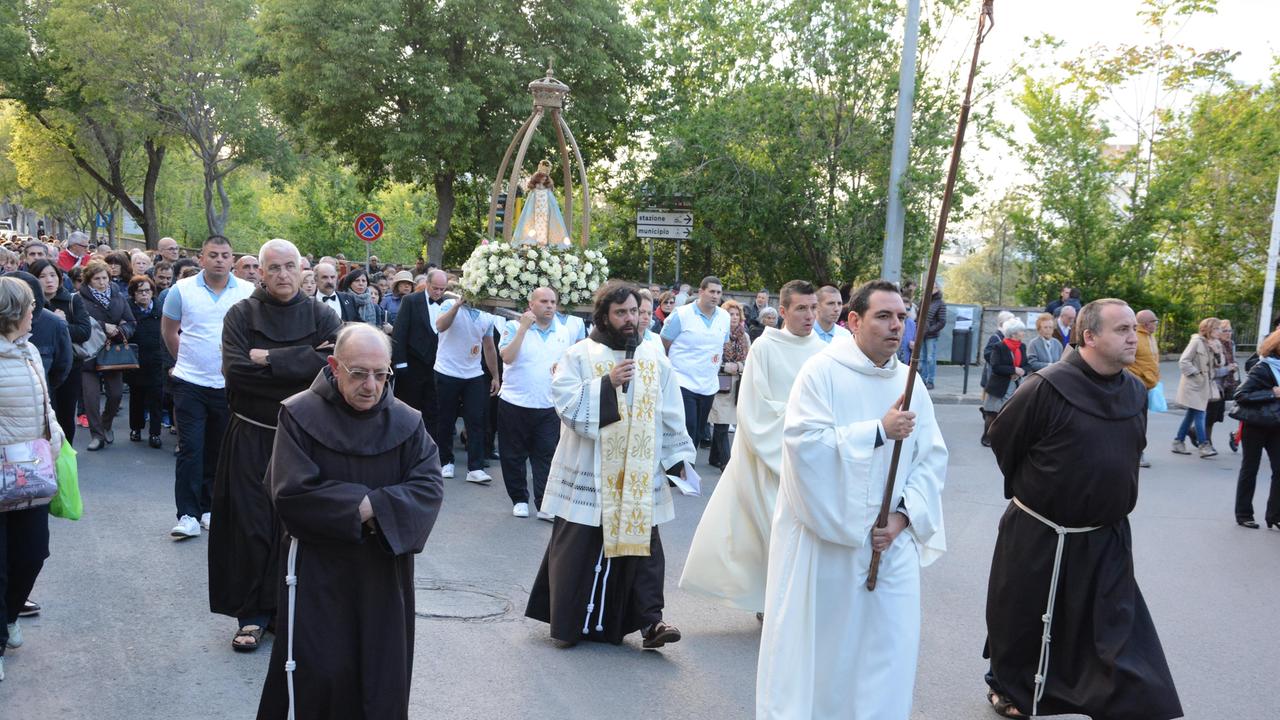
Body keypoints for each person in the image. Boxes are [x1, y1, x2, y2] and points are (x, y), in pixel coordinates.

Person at [756, 280, 947, 719]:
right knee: (829, 655)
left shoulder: (910, 380)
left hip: (890, 543)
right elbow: (804, 446)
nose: (896, 325)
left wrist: (901, 519)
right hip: (830, 543)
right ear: (854, 321)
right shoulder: (822, 372)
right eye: (884, 316)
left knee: (889, 648)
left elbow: (931, 459)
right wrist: (878, 431)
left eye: (901, 316)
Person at [983, 299, 1181, 720]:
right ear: (1089, 337)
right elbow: (1004, 440)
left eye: (1135, 328)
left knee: (1114, 628)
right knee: (1023, 620)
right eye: (1123, 329)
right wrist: (1040, 493)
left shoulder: (1133, 389)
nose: (1135, 337)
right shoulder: (1045, 386)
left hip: (1106, 535)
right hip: (1042, 530)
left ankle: (1125, 700)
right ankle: (1008, 688)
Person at [256, 324, 444, 720]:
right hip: (318, 572)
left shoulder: (408, 422)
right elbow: (289, 490)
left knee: (381, 678)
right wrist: (359, 509)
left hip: (383, 572)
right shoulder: (299, 413)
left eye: (381, 374)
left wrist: (369, 506)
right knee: (320, 672)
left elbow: (428, 488)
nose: (371, 385)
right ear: (333, 366)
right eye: (358, 373)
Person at [526, 282, 695, 649]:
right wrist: (606, 384)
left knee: (645, 547)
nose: (630, 319)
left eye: (634, 311)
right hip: (590, 468)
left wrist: (678, 457)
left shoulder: (652, 355)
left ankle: (652, 623)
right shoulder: (581, 354)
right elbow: (566, 402)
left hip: (638, 471)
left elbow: (669, 408)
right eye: (621, 313)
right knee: (578, 546)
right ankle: (567, 625)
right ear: (604, 316)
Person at [208, 239, 342, 653]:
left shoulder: (322, 315)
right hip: (251, 432)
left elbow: (332, 372)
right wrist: (301, 360)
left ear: (302, 270)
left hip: (304, 437)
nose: (283, 275)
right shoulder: (240, 315)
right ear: (260, 272)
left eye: (290, 267)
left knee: (297, 527)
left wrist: (270, 358)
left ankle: (290, 612)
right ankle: (251, 614)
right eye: (274, 268)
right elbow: (238, 372)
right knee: (252, 526)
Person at [680, 279, 822, 614]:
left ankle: (793, 603)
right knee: (769, 533)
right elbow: (754, 407)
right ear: (783, 311)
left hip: (812, 459)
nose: (810, 315)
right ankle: (771, 602)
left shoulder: (826, 352)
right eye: (801, 308)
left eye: (813, 307)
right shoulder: (765, 347)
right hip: (769, 459)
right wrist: (801, 424)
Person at [162, 235, 255, 538]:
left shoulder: (247, 292)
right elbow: (169, 330)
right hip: (190, 382)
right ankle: (187, 513)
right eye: (212, 255)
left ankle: (209, 508)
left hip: (228, 384)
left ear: (232, 260)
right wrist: (184, 360)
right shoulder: (181, 290)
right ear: (201, 258)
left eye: (225, 255)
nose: (219, 260)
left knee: (219, 449)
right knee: (191, 448)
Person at [0, 277, 66, 683]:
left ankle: (8, 616)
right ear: (12, 313)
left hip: (31, 476)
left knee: (33, 553)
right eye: (29, 307)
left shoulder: (29, 352)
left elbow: (46, 404)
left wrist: (54, 440)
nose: (33, 314)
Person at [497, 287, 576, 520]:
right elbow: (507, 357)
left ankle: (544, 503)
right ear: (531, 304)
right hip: (515, 401)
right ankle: (519, 498)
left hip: (548, 405)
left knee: (545, 455)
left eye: (553, 301)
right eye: (543, 301)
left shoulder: (563, 331)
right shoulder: (512, 327)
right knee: (513, 454)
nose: (550, 306)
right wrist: (523, 328)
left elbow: (567, 365)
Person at [661, 276, 731, 462]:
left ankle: (686, 465)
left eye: (718, 292)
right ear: (701, 292)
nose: (715, 296)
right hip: (682, 381)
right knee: (688, 426)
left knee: (699, 430)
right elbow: (665, 342)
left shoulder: (724, 317)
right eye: (711, 291)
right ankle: (682, 469)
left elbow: (721, 344)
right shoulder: (681, 314)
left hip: (708, 384)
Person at [435, 287, 500, 483]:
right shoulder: (448, 304)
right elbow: (440, 326)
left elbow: (489, 347)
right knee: (446, 419)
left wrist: (496, 376)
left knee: (476, 420)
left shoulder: (487, 315)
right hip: (447, 370)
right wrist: (457, 304)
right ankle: (445, 462)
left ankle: (476, 468)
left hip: (473, 374)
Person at [29, 260, 91, 442]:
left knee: (65, 415)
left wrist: (60, 325)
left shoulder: (72, 299)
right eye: (42, 276)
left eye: (53, 275)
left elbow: (84, 331)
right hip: (40, 366)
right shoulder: (29, 304)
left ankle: (65, 454)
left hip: (69, 366)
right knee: (46, 416)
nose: (49, 280)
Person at [79, 260, 135, 451]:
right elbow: (80, 323)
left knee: (116, 394)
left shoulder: (118, 297)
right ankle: (96, 435)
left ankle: (106, 424)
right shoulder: (79, 298)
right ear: (89, 280)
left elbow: (131, 322)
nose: (102, 282)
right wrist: (104, 327)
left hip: (113, 352)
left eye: (105, 278)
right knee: (91, 399)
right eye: (97, 279)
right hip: (89, 353)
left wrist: (120, 331)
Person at [391, 268, 447, 449]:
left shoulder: (448, 304)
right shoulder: (410, 301)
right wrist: (401, 364)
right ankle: (404, 447)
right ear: (427, 285)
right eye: (435, 288)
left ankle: (429, 450)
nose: (438, 293)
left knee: (434, 410)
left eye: (442, 289)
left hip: (437, 366)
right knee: (408, 408)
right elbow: (399, 332)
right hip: (412, 363)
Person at [1231, 328, 1280, 530]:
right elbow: (1241, 395)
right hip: (1257, 424)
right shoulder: (1263, 367)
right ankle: (1244, 513)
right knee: (1250, 468)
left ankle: (1275, 515)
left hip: (1277, 425)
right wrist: (1272, 393)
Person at [5, 271, 70, 393]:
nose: (31, 308)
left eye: (32, 303)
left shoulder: (54, 324)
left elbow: (61, 368)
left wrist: (41, 390)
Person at [708, 299, 750, 471]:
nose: (733, 317)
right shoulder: (717, 332)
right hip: (718, 380)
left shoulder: (744, 336)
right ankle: (727, 463)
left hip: (736, 384)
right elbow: (710, 357)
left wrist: (738, 366)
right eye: (730, 314)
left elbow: (749, 360)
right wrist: (725, 366)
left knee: (723, 422)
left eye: (736, 314)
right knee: (722, 423)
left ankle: (714, 457)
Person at [125, 274, 166, 448]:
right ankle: (136, 428)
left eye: (147, 291)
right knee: (137, 397)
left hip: (156, 360)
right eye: (140, 291)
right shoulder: (128, 311)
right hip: (136, 360)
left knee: (156, 397)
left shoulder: (160, 310)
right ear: (133, 294)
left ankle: (155, 433)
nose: (144, 294)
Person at [1172, 317, 1221, 458]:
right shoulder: (1196, 342)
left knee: (1191, 415)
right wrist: (1197, 374)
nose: (1219, 331)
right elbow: (1184, 361)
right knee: (1200, 413)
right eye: (1216, 328)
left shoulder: (1215, 343)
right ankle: (1203, 444)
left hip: (1205, 385)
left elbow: (1219, 363)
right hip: (1194, 385)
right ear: (1208, 329)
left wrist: (1216, 352)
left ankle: (1178, 441)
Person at [980, 318, 1027, 447]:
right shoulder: (999, 347)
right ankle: (987, 437)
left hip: (1015, 385)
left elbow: (1026, 365)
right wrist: (1013, 370)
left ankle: (1003, 438)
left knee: (1009, 413)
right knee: (992, 413)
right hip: (999, 385)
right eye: (1021, 331)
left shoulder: (1022, 346)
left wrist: (1022, 371)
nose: (1024, 333)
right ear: (1013, 333)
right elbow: (995, 366)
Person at [1204, 319, 1239, 450]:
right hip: (1214, 385)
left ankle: (1194, 432)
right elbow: (1211, 370)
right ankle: (1206, 442)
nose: (1228, 333)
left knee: (1216, 415)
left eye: (1230, 330)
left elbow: (1232, 360)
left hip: (1226, 385)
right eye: (1224, 330)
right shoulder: (1214, 345)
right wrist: (1228, 369)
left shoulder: (1231, 344)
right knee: (1210, 415)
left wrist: (1233, 367)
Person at [339, 268, 390, 332]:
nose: (361, 283)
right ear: (350, 283)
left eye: (363, 281)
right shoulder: (342, 301)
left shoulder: (375, 307)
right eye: (357, 280)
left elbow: (378, 329)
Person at [918, 279, 946, 389]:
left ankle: (930, 380)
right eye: (929, 287)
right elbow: (918, 317)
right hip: (921, 334)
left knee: (930, 358)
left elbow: (942, 321)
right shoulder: (923, 301)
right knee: (922, 358)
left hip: (931, 335)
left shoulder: (940, 303)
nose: (931, 290)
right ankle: (922, 379)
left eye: (933, 287)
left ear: (937, 289)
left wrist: (929, 330)